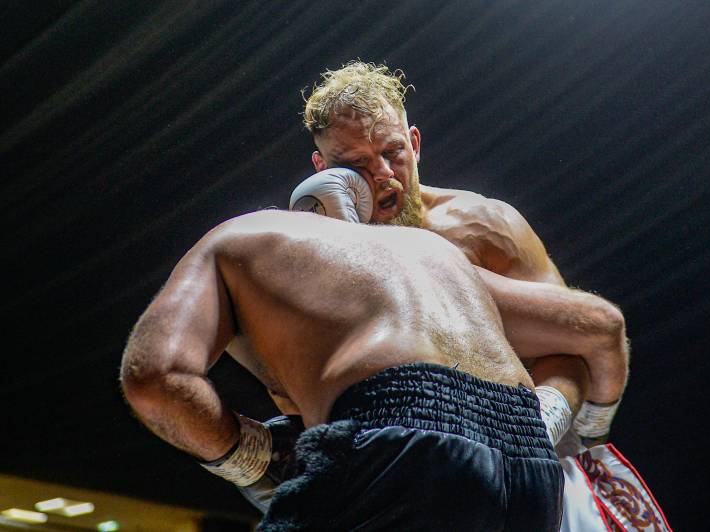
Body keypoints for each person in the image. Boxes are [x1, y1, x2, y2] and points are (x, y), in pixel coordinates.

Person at [290, 61, 672, 530]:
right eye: (356, 165)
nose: (384, 174)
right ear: (321, 169)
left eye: (393, 152)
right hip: (396, 473)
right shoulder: (309, 260)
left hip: (531, 470)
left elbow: (571, 346)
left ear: (414, 142)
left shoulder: (482, 227)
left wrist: (536, 429)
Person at [120, 209, 629, 531]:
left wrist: (248, 457)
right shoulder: (435, 253)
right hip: (532, 470)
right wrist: (570, 426)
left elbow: (153, 378)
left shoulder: (239, 236)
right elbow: (601, 325)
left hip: (399, 435)